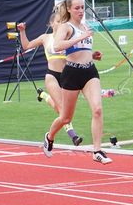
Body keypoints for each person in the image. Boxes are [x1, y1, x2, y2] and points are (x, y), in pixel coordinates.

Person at [45, 0, 112, 164]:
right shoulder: (66, 27)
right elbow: (57, 46)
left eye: (83, 7)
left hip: (89, 72)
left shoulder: (85, 25)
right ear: (68, 9)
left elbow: (82, 50)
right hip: (72, 73)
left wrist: (93, 55)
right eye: (77, 8)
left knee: (97, 109)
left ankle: (97, 150)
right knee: (66, 117)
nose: (81, 11)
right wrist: (80, 37)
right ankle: (50, 136)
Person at [17, 14, 84, 147]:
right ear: (52, 23)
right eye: (58, 21)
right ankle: (73, 135)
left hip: (67, 77)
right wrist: (22, 31)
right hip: (52, 76)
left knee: (65, 112)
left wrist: (93, 55)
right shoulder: (45, 38)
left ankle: (43, 95)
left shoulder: (68, 39)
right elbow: (27, 46)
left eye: (63, 22)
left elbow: (80, 54)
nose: (61, 24)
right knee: (62, 110)